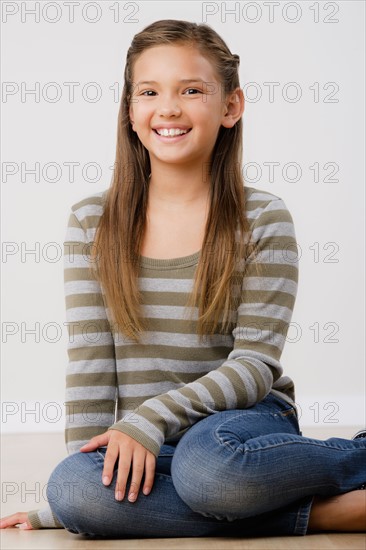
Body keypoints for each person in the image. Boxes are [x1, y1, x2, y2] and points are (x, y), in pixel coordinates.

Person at [1, 19, 365, 539]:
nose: (168, 108)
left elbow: (255, 365)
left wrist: (151, 416)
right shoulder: (92, 220)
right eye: (149, 92)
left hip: (238, 429)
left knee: (211, 472)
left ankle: (356, 456)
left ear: (231, 107)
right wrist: (78, 480)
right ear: (130, 112)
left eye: (191, 90)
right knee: (73, 488)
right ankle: (326, 513)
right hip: (148, 442)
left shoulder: (262, 217)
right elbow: (90, 361)